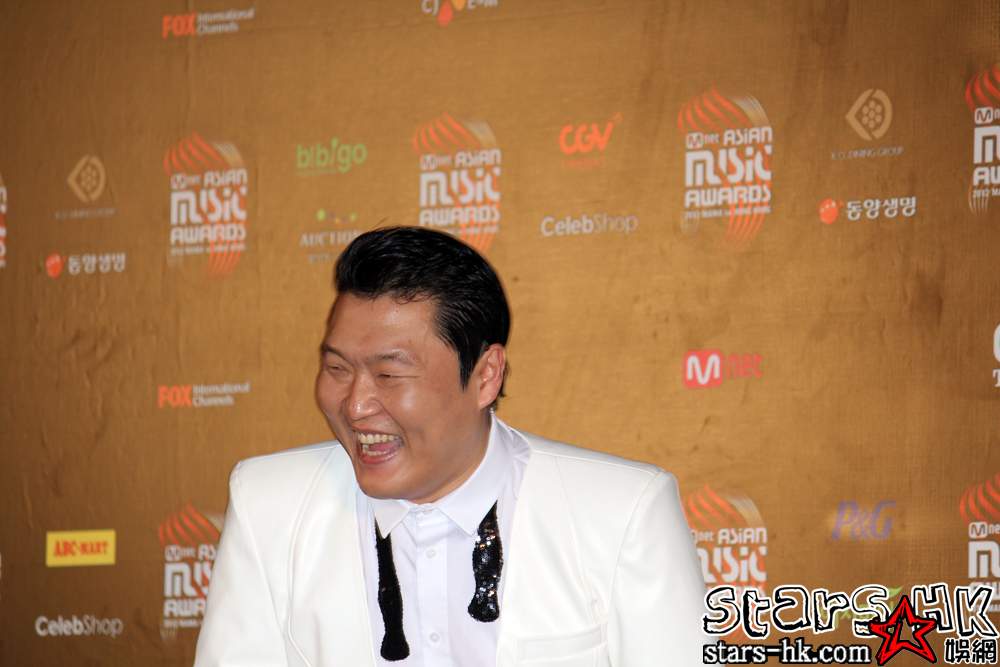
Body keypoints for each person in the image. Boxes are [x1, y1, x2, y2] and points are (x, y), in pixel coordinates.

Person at [194, 226, 707, 667]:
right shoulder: (268, 506)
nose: (355, 405)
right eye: (337, 369)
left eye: (389, 374)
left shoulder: (622, 513)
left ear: (485, 376)